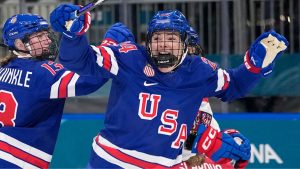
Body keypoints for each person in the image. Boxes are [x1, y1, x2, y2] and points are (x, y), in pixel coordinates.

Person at [50, 4, 288, 168]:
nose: (163, 46)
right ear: (148, 43)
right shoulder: (129, 57)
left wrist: (255, 66)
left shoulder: (200, 71)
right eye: (157, 39)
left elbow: (234, 85)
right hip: (110, 162)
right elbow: (80, 60)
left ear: (185, 44)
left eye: (171, 39)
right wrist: (73, 35)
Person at [103, 23, 248, 169]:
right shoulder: (150, 89)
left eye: (193, 53)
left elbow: (197, 152)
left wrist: (224, 151)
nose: (189, 61)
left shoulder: (200, 99)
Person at [0, 13, 107, 168]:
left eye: (46, 34)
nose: (48, 39)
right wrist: (110, 50)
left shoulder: (3, 69)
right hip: (17, 160)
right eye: (38, 36)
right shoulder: (44, 72)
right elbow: (91, 80)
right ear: (20, 44)